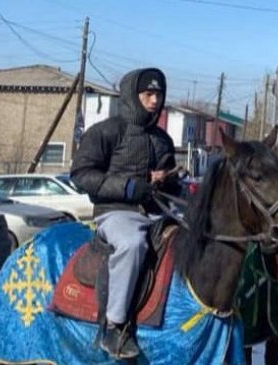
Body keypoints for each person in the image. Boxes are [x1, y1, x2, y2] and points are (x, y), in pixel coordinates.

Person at [70, 68, 181, 360]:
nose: (155, 100)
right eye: (148, 94)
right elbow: (81, 174)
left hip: (156, 213)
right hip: (116, 212)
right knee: (133, 244)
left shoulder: (162, 139)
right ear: (133, 96)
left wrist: (168, 180)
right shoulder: (106, 132)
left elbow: (173, 184)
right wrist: (130, 187)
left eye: (159, 94)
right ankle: (115, 325)